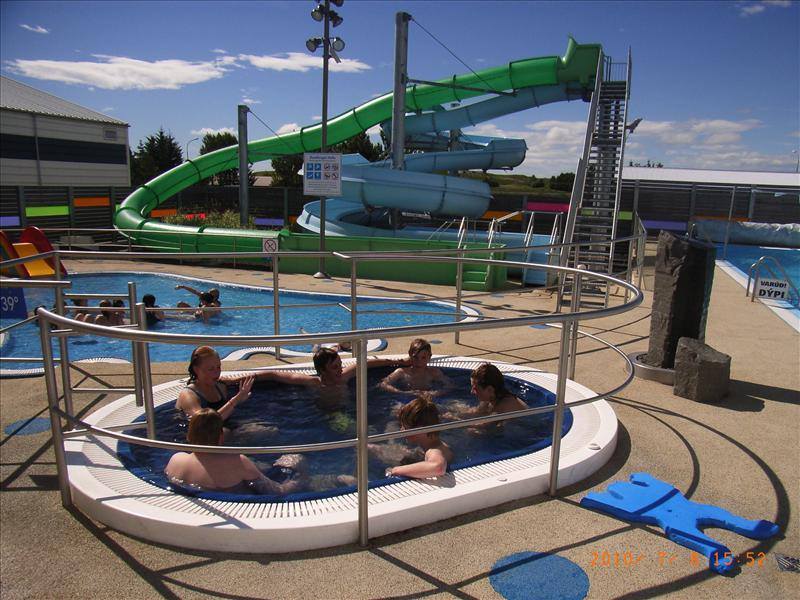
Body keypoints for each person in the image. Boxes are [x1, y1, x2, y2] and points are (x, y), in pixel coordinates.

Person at [164, 408, 302, 495]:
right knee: (295, 459)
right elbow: (277, 491)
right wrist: (299, 477)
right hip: (237, 504)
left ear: (189, 435)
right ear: (221, 436)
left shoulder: (176, 459)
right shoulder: (237, 462)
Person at [376, 394, 453, 480]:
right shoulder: (436, 444)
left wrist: (395, 470)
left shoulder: (433, 451)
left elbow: (438, 468)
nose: (401, 430)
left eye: (405, 427)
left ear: (420, 429)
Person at [176, 346, 254, 421]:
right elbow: (202, 423)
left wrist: (236, 381)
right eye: (211, 369)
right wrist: (236, 400)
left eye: (218, 367)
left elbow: (260, 376)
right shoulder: (188, 395)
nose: (217, 372)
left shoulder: (220, 386)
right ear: (196, 369)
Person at [446, 362, 528, 421]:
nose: (472, 392)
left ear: (490, 389)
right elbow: (476, 412)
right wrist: (451, 413)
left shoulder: (505, 405)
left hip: (527, 429)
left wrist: (454, 419)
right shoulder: (490, 398)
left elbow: (483, 425)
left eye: (475, 389)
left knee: (473, 432)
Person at [379, 338, 451, 396]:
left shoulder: (434, 372)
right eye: (415, 357)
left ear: (429, 357)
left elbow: (449, 385)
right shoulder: (402, 372)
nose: (419, 361)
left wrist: (434, 393)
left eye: (423, 358)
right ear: (410, 355)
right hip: (406, 400)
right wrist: (401, 392)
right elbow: (383, 384)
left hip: (429, 400)